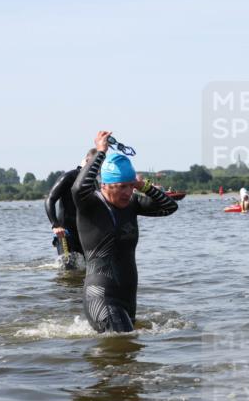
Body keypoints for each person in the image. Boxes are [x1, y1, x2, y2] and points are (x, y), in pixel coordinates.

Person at [73, 131, 178, 333]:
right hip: (101, 296)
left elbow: (169, 207)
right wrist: (100, 153)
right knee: (123, 346)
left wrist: (143, 185)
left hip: (127, 298)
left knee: (128, 353)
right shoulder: (91, 204)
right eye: (121, 187)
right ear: (104, 184)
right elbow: (78, 187)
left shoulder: (132, 203)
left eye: (131, 186)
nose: (128, 192)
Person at [44, 153, 90, 268]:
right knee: (68, 269)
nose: (97, 170)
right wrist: (55, 225)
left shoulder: (92, 181)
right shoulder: (69, 177)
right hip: (66, 232)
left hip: (83, 232)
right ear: (87, 161)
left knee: (85, 270)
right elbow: (50, 199)